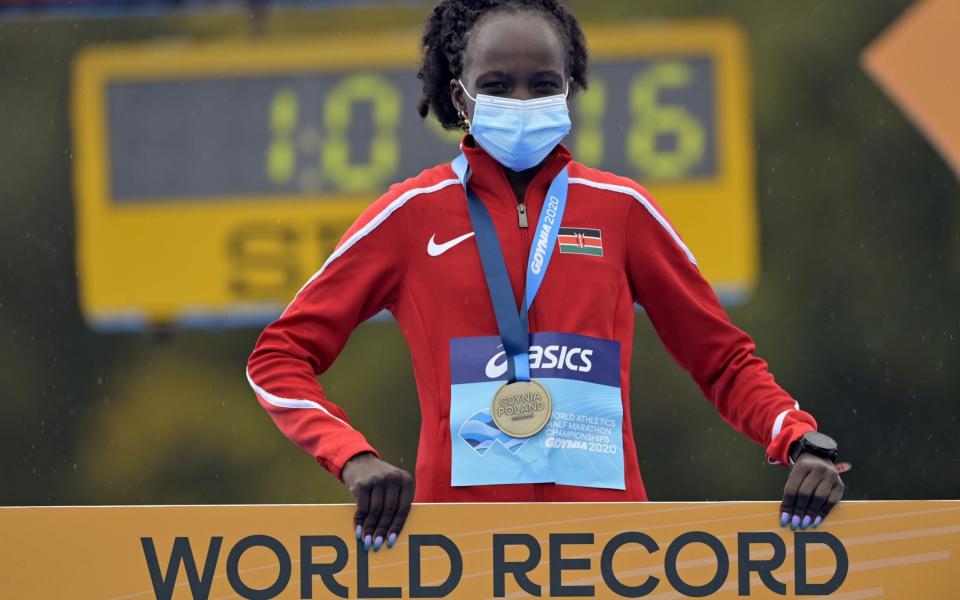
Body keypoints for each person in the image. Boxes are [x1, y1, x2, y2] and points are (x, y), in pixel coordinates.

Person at [247, 0, 845, 553]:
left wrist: (798, 439)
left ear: (569, 91)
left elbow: (723, 360)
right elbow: (277, 357)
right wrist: (354, 459)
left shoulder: (623, 210)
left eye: (542, 85)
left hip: (611, 552)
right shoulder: (411, 214)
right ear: (460, 99)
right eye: (497, 86)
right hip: (461, 556)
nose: (522, 101)